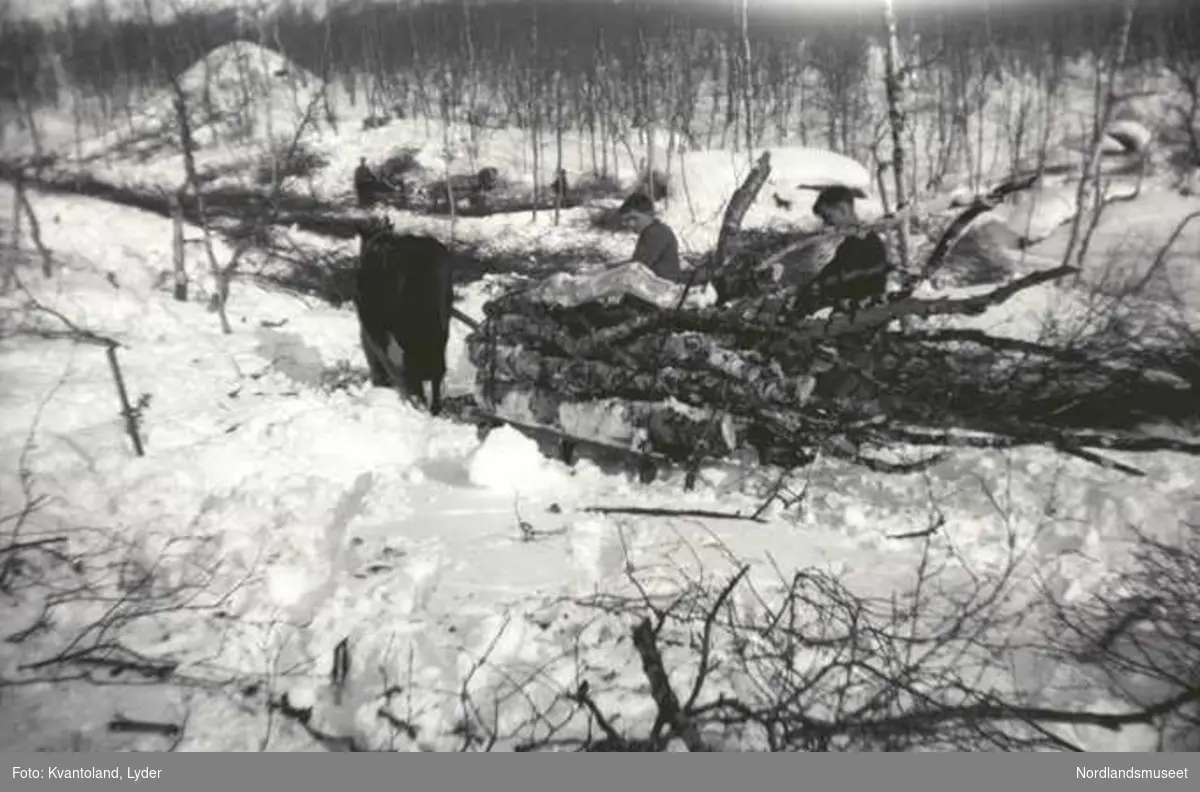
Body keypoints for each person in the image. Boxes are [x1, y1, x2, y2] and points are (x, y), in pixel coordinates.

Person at [806, 185, 890, 309]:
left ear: (843, 209)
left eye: (828, 217)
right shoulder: (851, 242)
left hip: (861, 312)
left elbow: (849, 279)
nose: (828, 224)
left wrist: (819, 287)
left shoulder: (867, 243)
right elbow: (833, 270)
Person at [613, 192, 684, 283]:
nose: (631, 224)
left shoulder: (655, 233)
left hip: (659, 290)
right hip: (655, 285)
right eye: (627, 220)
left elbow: (638, 266)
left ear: (649, 214)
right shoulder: (653, 230)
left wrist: (610, 271)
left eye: (634, 218)